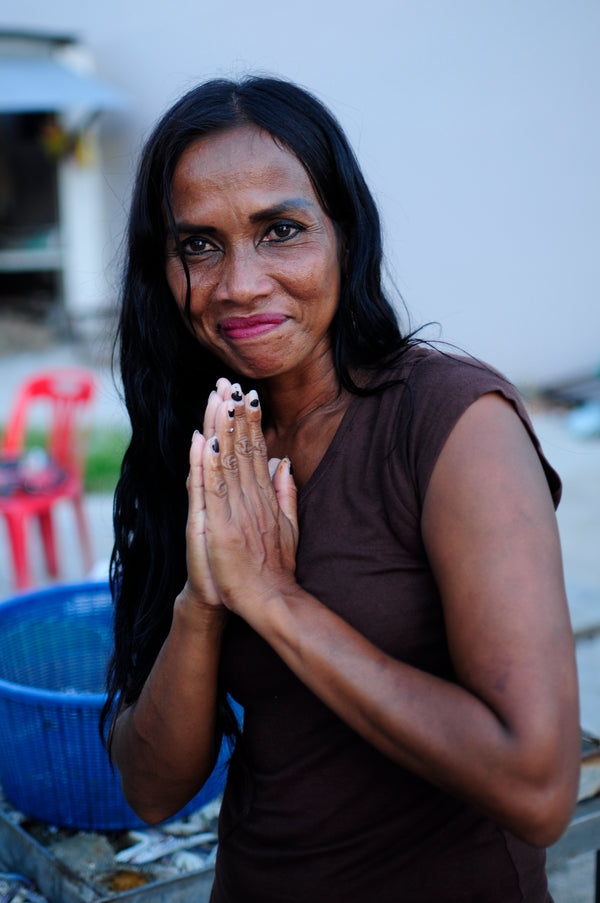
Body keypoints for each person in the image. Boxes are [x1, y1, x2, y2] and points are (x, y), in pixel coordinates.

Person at [102, 76, 580, 902]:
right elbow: (151, 787)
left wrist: (277, 601)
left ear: (345, 235)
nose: (240, 284)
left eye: (280, 230)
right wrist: (206, 599)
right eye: (200, 245)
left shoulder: (453, 424)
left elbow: (536, 790)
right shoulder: (202, 441)